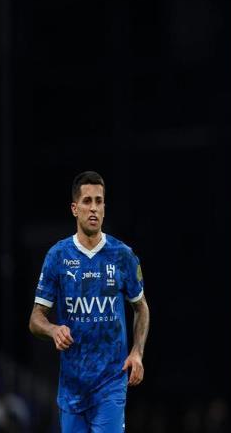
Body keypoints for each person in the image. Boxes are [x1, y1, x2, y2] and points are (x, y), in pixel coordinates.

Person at [29, 171, 150, 433]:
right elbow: (36, 319)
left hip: (110, 384)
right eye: (87, 201)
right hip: (72, 388)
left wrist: (137, 352)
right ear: (75, 208)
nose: (93, 208)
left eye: (99, 201)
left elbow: (141, 308)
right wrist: (53, 329)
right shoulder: (58, 256)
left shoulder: (123, 256)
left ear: (104, 208)